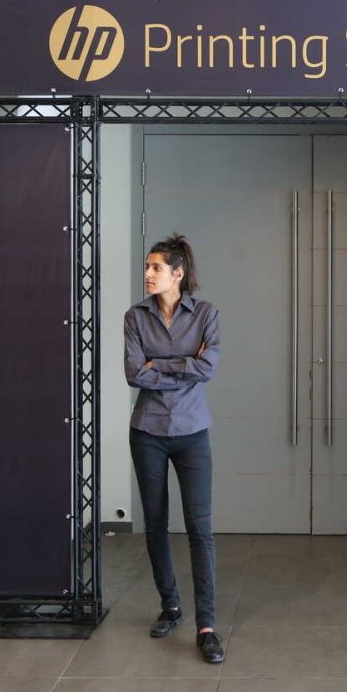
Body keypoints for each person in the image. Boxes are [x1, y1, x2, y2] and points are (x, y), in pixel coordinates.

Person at [123, 233, 224, 664]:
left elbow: (208, 366)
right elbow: (134, 374)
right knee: (156, 525)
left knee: (200, 529)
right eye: (147, 267)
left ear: (178, 273)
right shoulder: (135, 317)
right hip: (147, 431)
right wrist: (184, 365)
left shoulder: (205, 314)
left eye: (156, 268)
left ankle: (207, 627)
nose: (148, 274)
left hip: (192, 432)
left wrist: (158, 364)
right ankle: (170, 606)